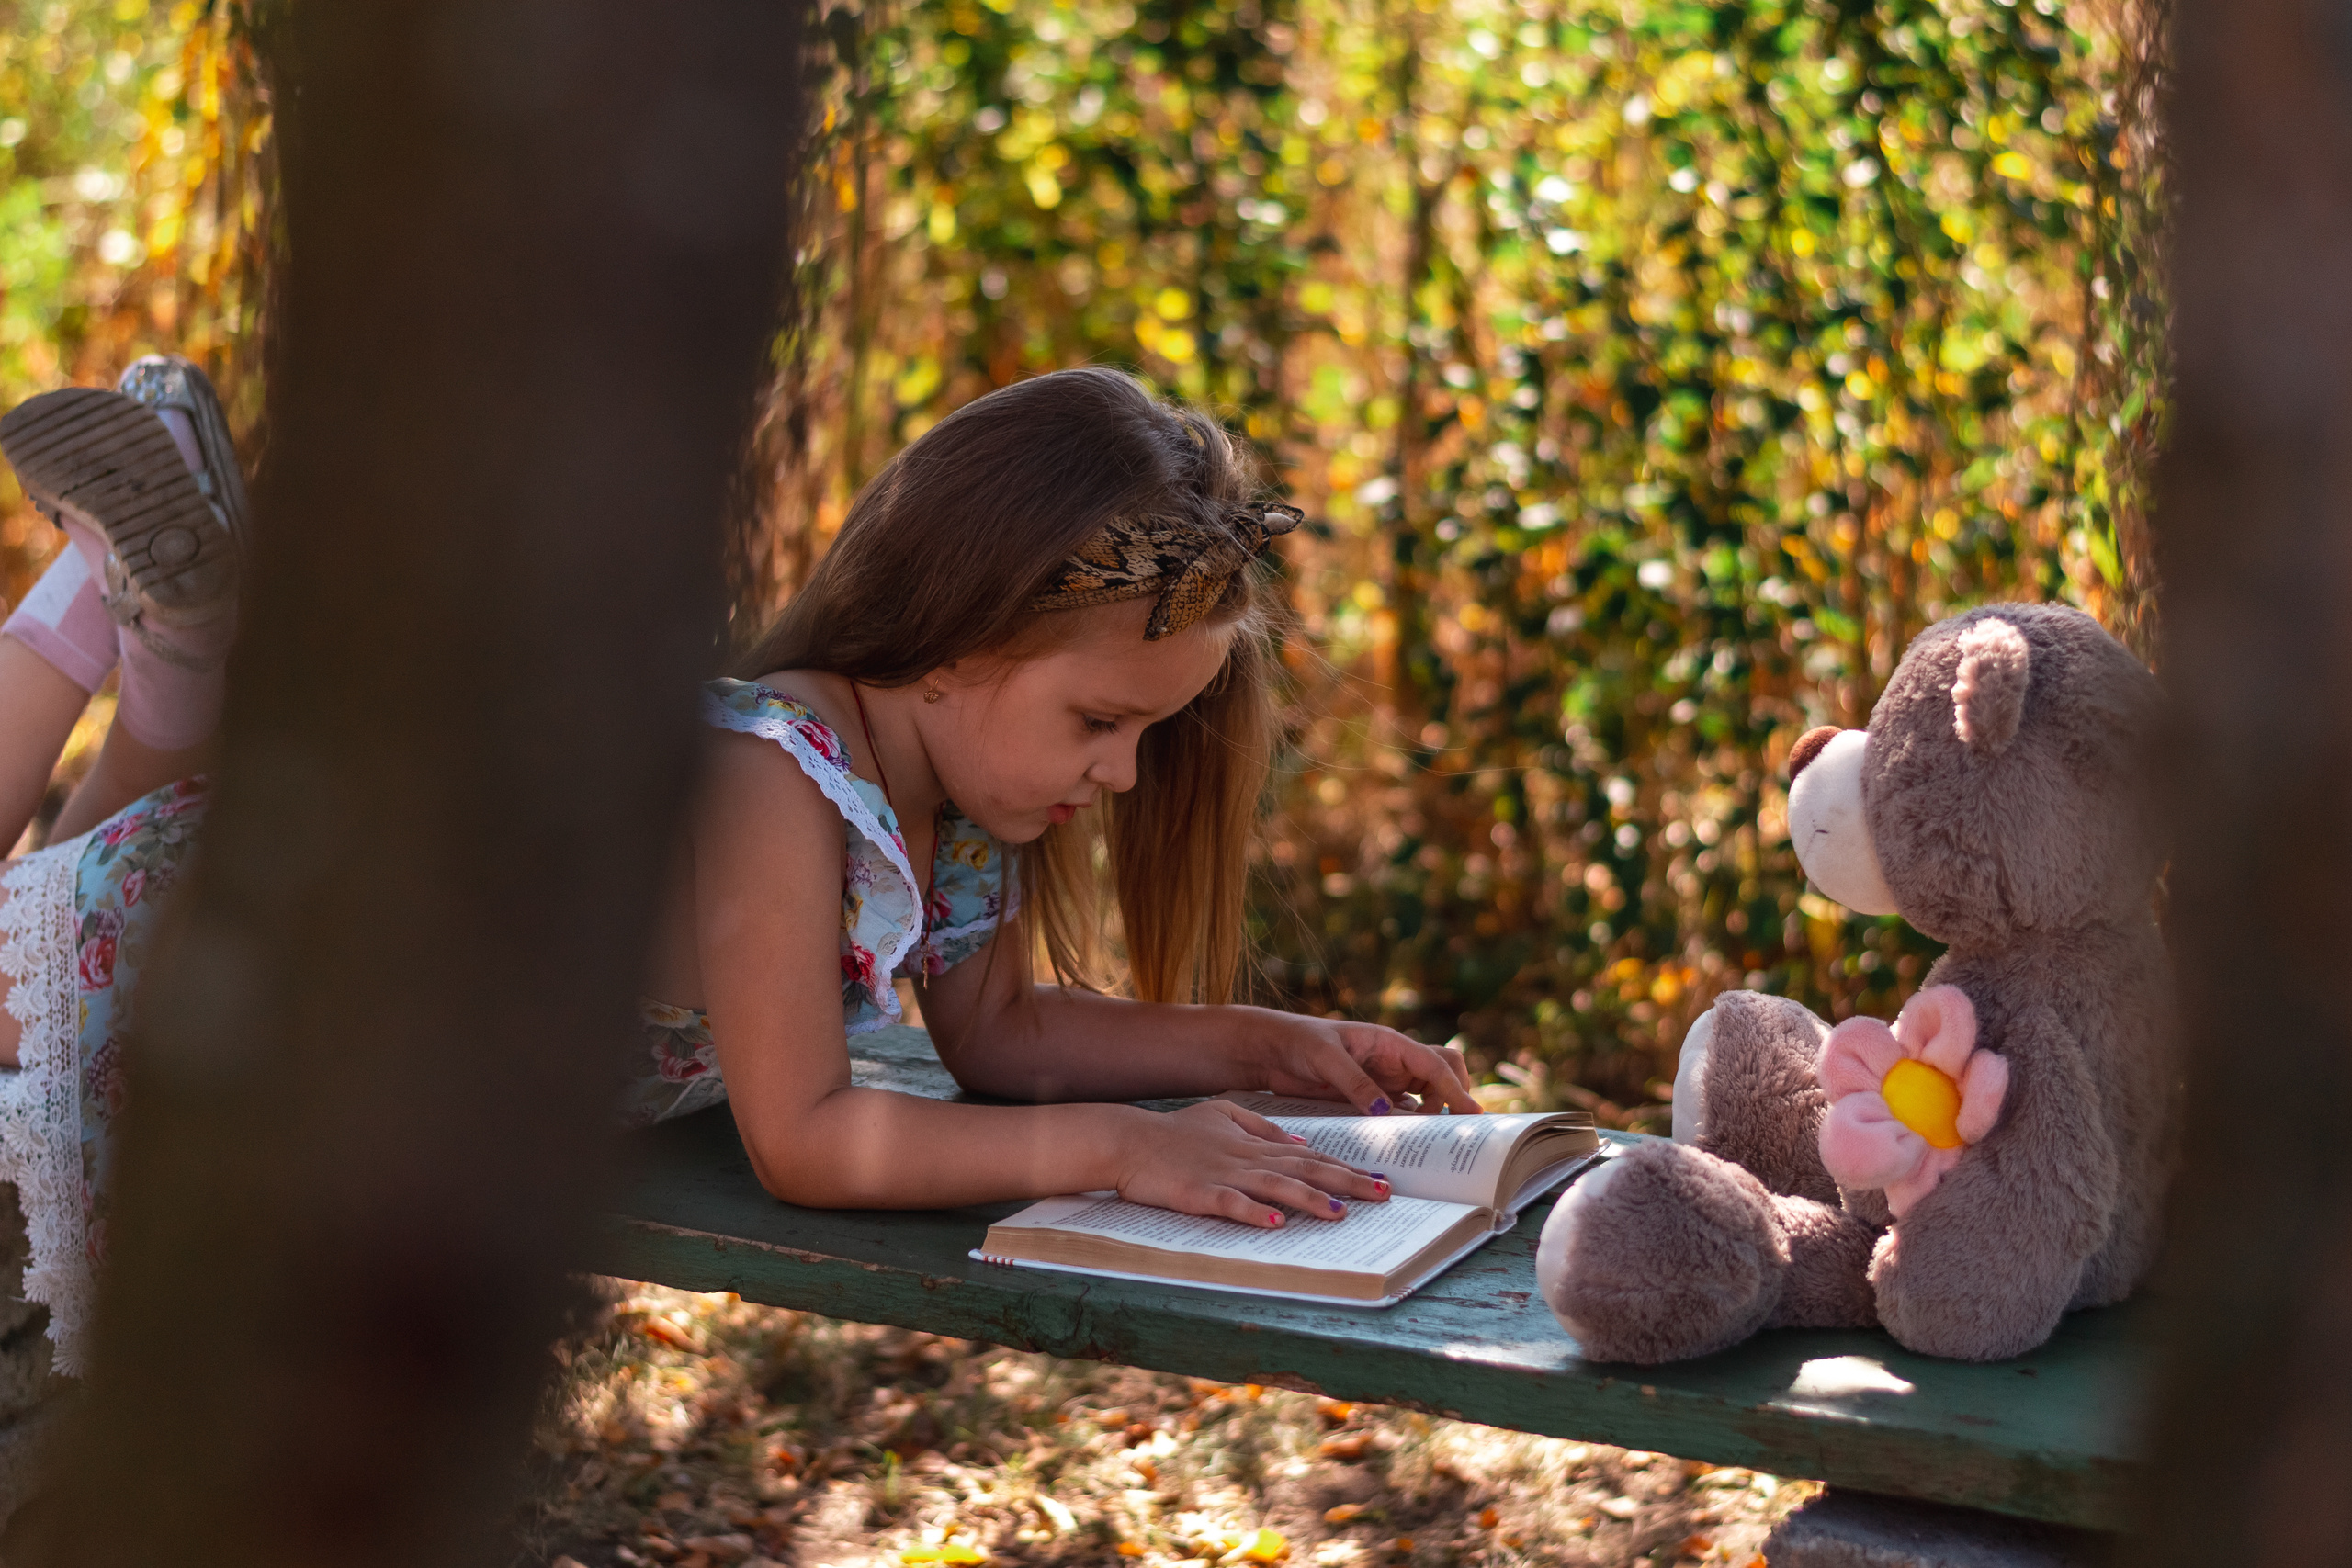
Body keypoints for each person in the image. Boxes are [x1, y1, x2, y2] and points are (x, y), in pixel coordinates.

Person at [0, 363, 1477, 1374]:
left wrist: (1271, 1048)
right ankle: (149, 646)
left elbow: (1011, 1038)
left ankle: (177, 666)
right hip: (202, 972)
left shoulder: (948, 814)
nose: (1123, 776)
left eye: (1148, 737)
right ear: (959, 645)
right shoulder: (773, 777)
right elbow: (809, 1139)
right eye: (1101, 724)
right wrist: (1124, 1145)